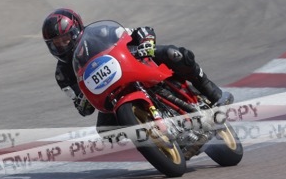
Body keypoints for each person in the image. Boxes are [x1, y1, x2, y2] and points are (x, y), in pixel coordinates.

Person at [41, 8, 231, 133]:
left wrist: (146, 42)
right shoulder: (62, 75)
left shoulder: (101, 32)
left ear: (77, 32)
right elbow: (82, 108)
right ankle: (149, 136)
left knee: (176, 55)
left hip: (133, 62)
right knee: (107, 132)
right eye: (56, 43)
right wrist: (83, 101)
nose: (62, 45)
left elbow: (140, 31)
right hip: (110, 93)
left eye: (65, 39)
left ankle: (211, 91)